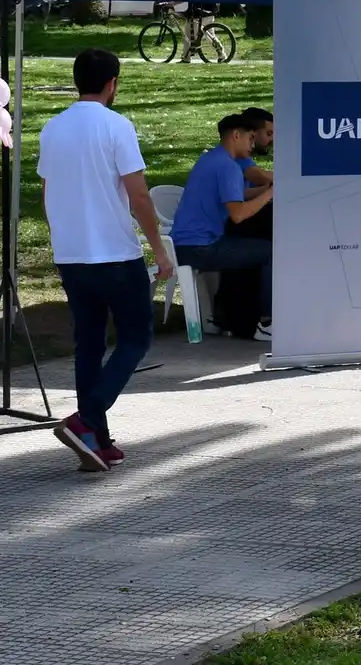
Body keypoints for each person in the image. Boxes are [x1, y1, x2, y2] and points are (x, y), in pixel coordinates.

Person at [38, 49, 172, 472]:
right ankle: (88, 419)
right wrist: (158, 247)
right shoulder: (117, 126)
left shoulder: (52, 128)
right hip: (115, 253)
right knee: (135, 337)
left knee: (89, 344)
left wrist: (61, 244)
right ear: (112, 83)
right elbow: (139, 196)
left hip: (73, 255)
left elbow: (47, 193)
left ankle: (95, 439)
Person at [171, 114, 275, 341]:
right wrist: (269, 193)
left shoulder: (211, 160)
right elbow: (237, 214)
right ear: (236, 135)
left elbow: (236, 195)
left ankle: (228, 316)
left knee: (249, 247)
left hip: (183, 244)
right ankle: (266, 322)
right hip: (200, 248)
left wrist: (265, 191)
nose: (251, 144)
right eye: (250, 138)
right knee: (270, 251)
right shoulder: (229, 167)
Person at [238, 106, 275, 187]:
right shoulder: (237, 157)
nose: (272, 139)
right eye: (269, 134)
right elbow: (262, 177)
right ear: (252, 133)